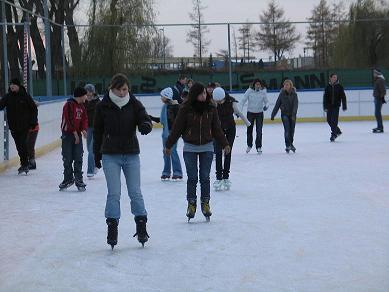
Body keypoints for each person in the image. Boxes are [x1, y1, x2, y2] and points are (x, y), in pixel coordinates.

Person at [93, 73, 152, 249]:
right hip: (110, 155)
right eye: (118, 89)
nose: (121, 93)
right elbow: (97, 132)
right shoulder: (102, 106)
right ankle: (112, 228)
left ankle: (141, 226)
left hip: (131, 153)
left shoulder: (134, 103)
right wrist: (96, 155)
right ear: (112, 88)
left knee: (135, 192)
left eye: (124, 89)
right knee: (114, 193)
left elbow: (144, 117)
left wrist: (146, 125)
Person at [164, 82, 230, 222]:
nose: (204, 95)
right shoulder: (185, 109)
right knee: (193, 178)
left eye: (205, 93)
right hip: (190, 148)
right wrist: (169, 144)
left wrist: (225, 143)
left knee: (205, 177)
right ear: (194, 94)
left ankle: (205, 204)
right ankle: (191, 204)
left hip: (207, 147)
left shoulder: (211, 108)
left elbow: (217, 128)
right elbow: (177, 128)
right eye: (200, 93)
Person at [212, 87, 251, 191]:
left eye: (220, 101)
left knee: (228, 152)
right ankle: (218, 178)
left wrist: (247, 123)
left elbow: (238, 112)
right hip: (218, 130)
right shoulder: (213, 103)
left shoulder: (231, 102)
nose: (218, 103)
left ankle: (226, 177)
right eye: (217, 101)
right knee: (218, 153)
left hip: (230, 129)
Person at [0, 78, 38, 174]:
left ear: (18, 86)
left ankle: (25, 164)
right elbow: (1, 105)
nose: (11, 86)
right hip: (13, 127)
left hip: (24, 126)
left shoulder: (25, 96)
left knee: (22, 145)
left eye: (14, 84)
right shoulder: (8, 97)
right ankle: (24, 164)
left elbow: (34, 109)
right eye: (10, 84)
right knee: (19, 147)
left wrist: (33, 122)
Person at [59, 87, 88, 191]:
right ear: (80, 95)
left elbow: (84, 119)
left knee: (78, 156)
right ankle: (68, 178)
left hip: (77, 135)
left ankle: (78, 179)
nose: (86, 97)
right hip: (67, 135)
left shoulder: (82, 106)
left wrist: (84, 129)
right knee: (67, 157)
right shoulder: (69, 105)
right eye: (85, 95)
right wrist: (75, 133)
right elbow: (69, 119)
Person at [159, 87, 183, 181]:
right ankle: (166, 172)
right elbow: (162, 120)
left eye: (162, 96)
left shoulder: (176, 107)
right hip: (165, 134)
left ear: (167, 96)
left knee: (172, 151)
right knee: (166, 152)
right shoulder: (164, 107)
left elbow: (179, 121)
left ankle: (177, 172)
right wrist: (150, 117)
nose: (161, 98)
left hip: (173, 134)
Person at [240, 79, 269, 154]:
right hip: (250, 113)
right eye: (256, 84)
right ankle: (249, 145)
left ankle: (258, 146)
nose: (258, 86)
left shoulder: (263, 91)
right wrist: (239, 110)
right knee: (249, 130)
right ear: (254, 85)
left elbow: (267, 101)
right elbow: (243, 101)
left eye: (259, 84)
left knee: (259, 131)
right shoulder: (249, 91)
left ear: (261, 85)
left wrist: (266, 106)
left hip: (259, 114)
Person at [271, 79, 299, 153]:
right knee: (287, 130)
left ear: (290, 86)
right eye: (284, 85)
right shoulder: (281, 95)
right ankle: (288, 145)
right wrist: (273, 114)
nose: (285, 86)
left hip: (292, 115)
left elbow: (295, 106)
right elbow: (277, 105)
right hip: (284, 115)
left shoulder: (294, 94)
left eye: (287, 85)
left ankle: (291, 143)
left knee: (292, 131)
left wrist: (293, 114)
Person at [323, 73, 347, 142]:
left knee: (334, 121)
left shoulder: (339, 86)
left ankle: (333, 134)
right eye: (333, 77)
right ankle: (338, 130)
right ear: (330, 78)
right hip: (329, 106)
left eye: (336, 77)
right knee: (329, 120)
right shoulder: (327, 87)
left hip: (336, 106)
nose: (335, 78)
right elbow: (325, 98)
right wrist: (325, 106)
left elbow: (343, 97)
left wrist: (344, 105)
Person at [84, 84, 100, 177]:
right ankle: (95, 164)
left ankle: (90, 171)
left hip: (97, 129)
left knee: (91, 150)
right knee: (89, 149)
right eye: (87, 91)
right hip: (88, 128)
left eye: (90, 91)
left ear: (93, 92)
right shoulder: (83, 102)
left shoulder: (98, 102)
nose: (88, 93)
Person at [372, 69, 387, 133]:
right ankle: (379, 126)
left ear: (377, 74)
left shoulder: (380, 80)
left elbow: (383, 90)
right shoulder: (378, 80)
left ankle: (380, 127)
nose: (373, 74)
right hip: (377, 98)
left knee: (377, 113)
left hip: (378, 99)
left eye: (374, 73)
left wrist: (382, 98)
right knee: (377, 113)